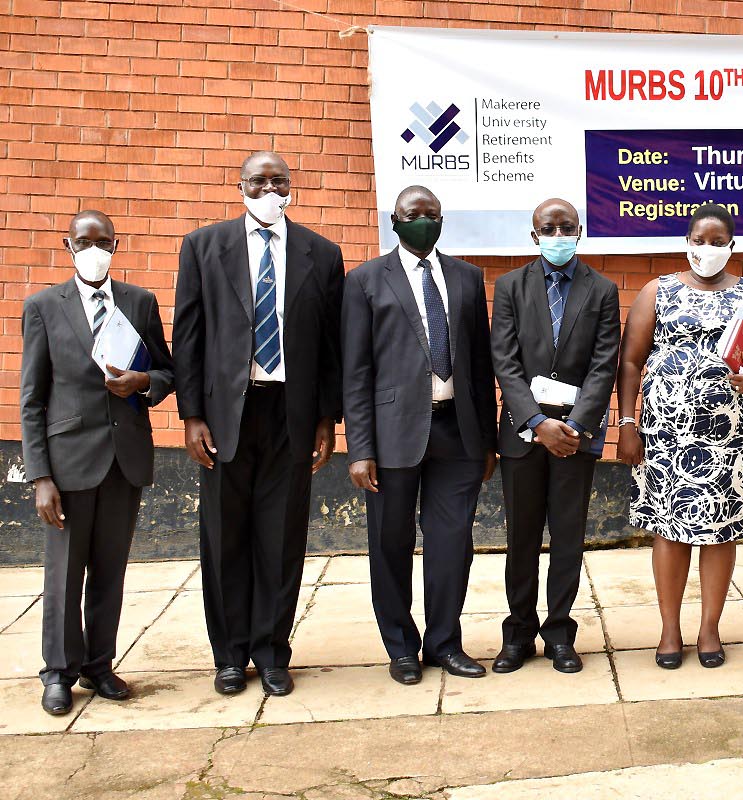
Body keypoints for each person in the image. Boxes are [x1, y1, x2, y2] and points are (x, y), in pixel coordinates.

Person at [174, 151, 344, 697]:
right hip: (227, 414)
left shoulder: (322, 252)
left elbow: (329, 346)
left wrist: (326, 416)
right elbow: (190, 335)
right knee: (224, 536)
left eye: (280, 181)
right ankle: (229, 655)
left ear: (292, 188)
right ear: (240, 186)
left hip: (290, 413)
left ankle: (272, 651)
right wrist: (191, 414)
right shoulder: (205, 246)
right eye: (260, 181)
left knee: (281, 536)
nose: (271, 189)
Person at [616, 203, 743, 669]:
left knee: (720, 534)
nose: (707, 250)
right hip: (666, 437)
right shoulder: (657, 292)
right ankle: (670, 630)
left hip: (733, 440)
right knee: (669, 533)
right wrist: (627, 423)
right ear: (686, 242)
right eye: (699, 240)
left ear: (732, 247)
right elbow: (631, 361)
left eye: (717, 242)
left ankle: (710, 628)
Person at [20, 211, 175, 715]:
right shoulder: (43, 306)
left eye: (104, 242)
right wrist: (40, 476)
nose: (95, 249)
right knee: (64, 573)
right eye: (85, 242)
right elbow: (32, 400)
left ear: (116, 244)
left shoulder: (139, 301)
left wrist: (142, 383)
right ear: (69, 246)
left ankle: (99, 664)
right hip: (67, 463)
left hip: (123, 459)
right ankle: (58, 672)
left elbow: (166, 371)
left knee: (109, 571)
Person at [342, 185, 497, 684]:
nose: (423, 221)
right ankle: (402, 648)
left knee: (453, 543)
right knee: (390, 543)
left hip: (459, 431)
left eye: (432, 213)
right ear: (395, 220)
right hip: (391, 436)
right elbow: (356, 370)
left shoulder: (467, 278)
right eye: (414, 214)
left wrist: (489, 437)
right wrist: (360, 448)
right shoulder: (365, 280)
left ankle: (445, 642)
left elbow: (479, 364)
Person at [489, 199, 620, 675]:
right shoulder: (510, 286)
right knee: (521, 538)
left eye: (567, 227)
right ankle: (518, 634)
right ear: (534, 234)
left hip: (574, 435)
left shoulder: (602, 289)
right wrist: (536, 423)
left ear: (579, 232)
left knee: (568, 538)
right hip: (524, 435)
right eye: (549, 228)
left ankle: (560, 633)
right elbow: (503, 360)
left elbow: (605, 363)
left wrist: (577, 426)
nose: (558, 235)